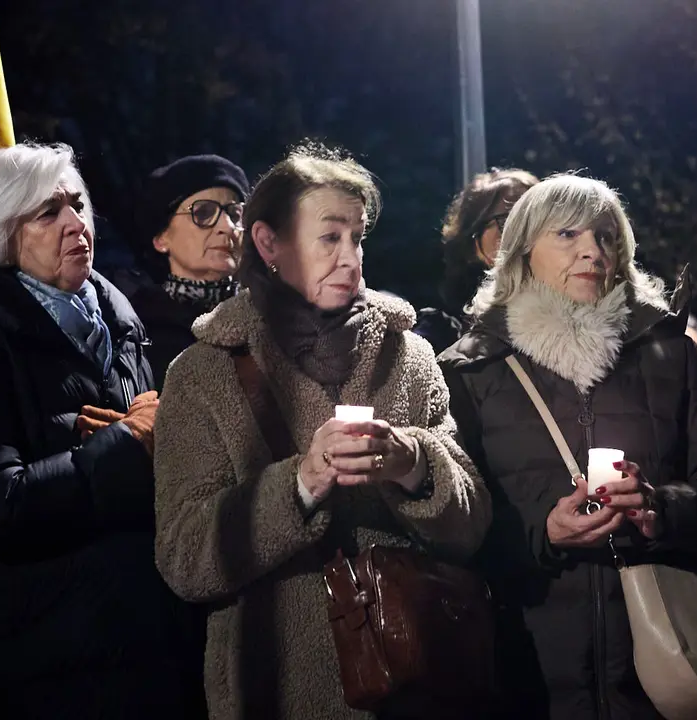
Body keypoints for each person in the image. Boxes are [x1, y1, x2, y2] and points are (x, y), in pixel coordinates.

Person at [151, 142, 491, 720]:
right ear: (268, 244)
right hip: (279, 691)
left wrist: (414, 464)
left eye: (358, 237)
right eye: (330, 237)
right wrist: (301, 484)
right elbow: (184, 557)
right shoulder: (204, 372)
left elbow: (472, 525)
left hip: (419, 686)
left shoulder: (407, 357)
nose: (352, 259)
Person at [438, 174, 697, 720]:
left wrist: (662, 510)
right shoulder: (467, 372)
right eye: (567, 233)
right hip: (525, 680)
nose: (592, 249)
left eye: (606, 236)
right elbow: (451, 530)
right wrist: (544, 534)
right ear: (522, 252)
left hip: (662, 678)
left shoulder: (669, 356)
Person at [0, 143, 204, 717]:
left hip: (152, 639)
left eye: (77, 204)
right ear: (0, 234)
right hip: (49, 658)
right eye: (47, 213)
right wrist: (127, 443)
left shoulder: (123, 326)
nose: (76, 223)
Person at [128, 154, 249, 390]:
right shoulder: (135, 332)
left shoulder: (268, 318)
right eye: (203, 213)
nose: (227, 227)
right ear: (162, 238)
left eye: (234, 214)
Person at [414, 168, 539, 353]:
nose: (528, 232)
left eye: (539, 220)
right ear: (472, 243)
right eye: (508, 221)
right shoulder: (440, 334)